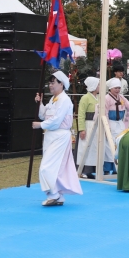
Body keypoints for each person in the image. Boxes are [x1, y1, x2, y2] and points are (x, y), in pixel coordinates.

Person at [32, 71, 83, 206]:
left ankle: (53, 194)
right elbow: (44, 115)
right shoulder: (53, 99)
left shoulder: (64, 100)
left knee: (47, 167)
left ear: (61, 84)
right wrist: (40, 103)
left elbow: (56, 120)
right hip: (50, 135)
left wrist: (40, 125)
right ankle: (58, 195)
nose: (50, 85)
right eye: (49, 83)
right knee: (55, 167)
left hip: (60, 136)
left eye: (53, 83)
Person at [76, 77, 104, 179]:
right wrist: (82, 129)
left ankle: (92, 170)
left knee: (94, 148)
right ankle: (82, 170)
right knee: (85, 147)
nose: (100, 86)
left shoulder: (100, 97)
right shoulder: (85, 98)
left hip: (97, 126)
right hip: (88, 125)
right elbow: (81, 114)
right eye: (98, 84)